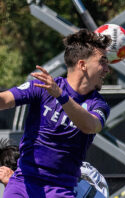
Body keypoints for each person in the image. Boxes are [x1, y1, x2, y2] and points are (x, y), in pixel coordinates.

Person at [0, 29, 111, 197]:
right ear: (82, 65)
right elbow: (4, 100)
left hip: (60, 189)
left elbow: (90, 126)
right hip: (23, 183)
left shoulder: (98, 104)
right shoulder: (43, 88)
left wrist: (61, 96)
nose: (107, 69)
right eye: (102, 62)